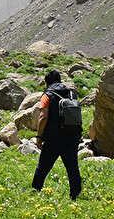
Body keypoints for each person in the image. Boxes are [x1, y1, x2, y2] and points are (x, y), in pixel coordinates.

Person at [31, 70, 81, 200]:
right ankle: (75, 194)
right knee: (72, 167)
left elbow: (43, 116)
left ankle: (35, 190)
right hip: (71, 136)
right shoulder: (71, 94)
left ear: (47, 83)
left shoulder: (47, 95)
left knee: (43, 166)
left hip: (54, 138)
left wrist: (39, 136)